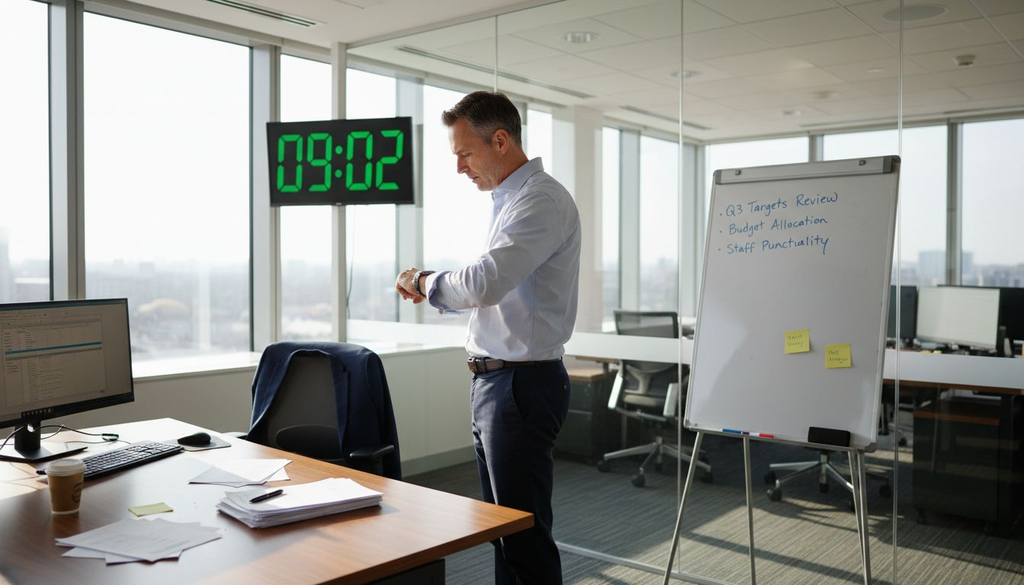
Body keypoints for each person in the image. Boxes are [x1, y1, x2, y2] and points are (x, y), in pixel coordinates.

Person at [395, 91, 580, 584]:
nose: (460, 168)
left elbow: (483, 283)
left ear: (500, 141)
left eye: (465, 154)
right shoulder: (512, 200)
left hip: (520, 385)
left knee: (522, 536)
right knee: (503, 531)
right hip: (497, 384)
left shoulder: (540, 200)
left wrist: (423, 281)